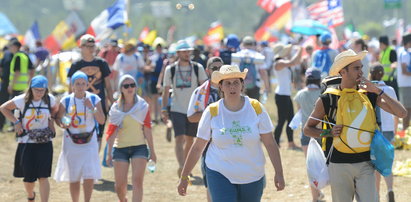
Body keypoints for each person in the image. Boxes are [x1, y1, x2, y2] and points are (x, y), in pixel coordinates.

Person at [304, 49, 406, 202]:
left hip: (366, 163)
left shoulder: (369, 94)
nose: (361, 71)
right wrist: (328, 133)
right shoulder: (328, 98)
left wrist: (378, 91)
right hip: (338, 165)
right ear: (342, 72)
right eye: (356, 68)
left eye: (361, 67)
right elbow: (307, 129)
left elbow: (402, 113)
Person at [177, 65, 285, 202]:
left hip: (252, 174)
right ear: (220, 87)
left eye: (236, 83)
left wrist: (279, 173)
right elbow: (198, 147)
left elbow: (270, 143)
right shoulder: (212, 111)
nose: (232, 87)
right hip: (219, 172)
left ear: (242, 85)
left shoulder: (256, 108)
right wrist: (184, 176)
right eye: (227, 83)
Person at [0, 75, 57, 202]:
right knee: (28, 178)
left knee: (43, 176)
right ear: (30, 88)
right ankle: (31, 195)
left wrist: (51, 122)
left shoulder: (49, 99)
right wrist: (16, 122)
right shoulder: (21, 100)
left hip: (45, 142)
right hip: (26, 142)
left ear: (46, 90)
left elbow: (55, 109)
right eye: (36, 90)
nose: (39, 93)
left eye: (42, 90)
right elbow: (3, 108)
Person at [54, 71, 105, 202]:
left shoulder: (94, 99)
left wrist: (92, 108)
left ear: (87, 84)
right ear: (72, 85)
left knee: (89, 174)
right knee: (74, 175)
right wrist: (65, 122)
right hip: (71, 142)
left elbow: (101, 120)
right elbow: (59, 120)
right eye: (78, 84)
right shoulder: (66, 100)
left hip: (90, 141)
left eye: (83, 83)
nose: (81, 86)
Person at [105, 75, 157, 202]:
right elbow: (111, 132)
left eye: (132, 85)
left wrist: (152, 152)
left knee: (137, 182)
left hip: (139, 147)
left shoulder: (142, 106)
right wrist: (109, 153)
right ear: (121, 89)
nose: (130, 88)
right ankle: (123, 200)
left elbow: (148, 129)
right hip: (120, 148)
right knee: (119, 185)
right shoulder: (115, 108)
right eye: (126, 86)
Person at [161, 40, 207, 177]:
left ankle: (186, 167)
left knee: (190, 140)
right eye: (184, 51)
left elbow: (204, 88)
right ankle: (182, 167)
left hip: (193, 110)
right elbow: (165, 90)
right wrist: (164, 109)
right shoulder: (171, 69)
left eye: (188, 51)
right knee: (179, 138)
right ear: (178, 53)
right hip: (177, 108)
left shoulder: (198, 68)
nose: (187, 54)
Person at [67, 34, 114, 150]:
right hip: (79, 105)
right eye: (88, 46)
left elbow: (108, 85)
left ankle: (94, 159)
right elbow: (70, 88)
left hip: (99, 104)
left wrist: (111, 102)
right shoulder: (76, 65)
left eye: (93, 46)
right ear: (81, 47)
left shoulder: (101, 63)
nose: (91, 49)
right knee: (81, 134)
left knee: (98, 135)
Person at [186, 56, 223, 202]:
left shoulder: (232, 87)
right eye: (214, 68)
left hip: (230, 140)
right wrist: (210, 112)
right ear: (207, 71)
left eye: (221, 68)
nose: (218, 71)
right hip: (208, 143)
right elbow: (191, 117)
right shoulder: (200, 92)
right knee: (211, 182)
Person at [293, 68, 324, 202]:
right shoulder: (323, 93)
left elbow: (299, 113)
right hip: (322, 132)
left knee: (311, 167)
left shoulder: (299, 94)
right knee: (326, 164)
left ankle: (315, 196)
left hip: (306, 133)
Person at [370, 64, 397, 202]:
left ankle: (377, 195)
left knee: (376, 167)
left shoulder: (368, 90)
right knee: (387, 163)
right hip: (389, 129)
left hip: (375, 130)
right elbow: (396, 112)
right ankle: (390, 189)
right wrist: (395, 130)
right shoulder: (390, 89)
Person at [272, 43, 302, 149]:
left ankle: (291, 143)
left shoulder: (282, 62)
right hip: (281, 95)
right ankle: (275, 143)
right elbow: (293, 62)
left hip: (285, 95)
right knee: (281, 120)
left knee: (290, 120)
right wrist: (300, 49)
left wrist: (299, 51)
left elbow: (296, 62)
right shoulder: (278, 63)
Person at [231, 36, 270, 100]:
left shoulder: (236, 55)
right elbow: (263, 73)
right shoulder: (258, 56)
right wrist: (267, 87)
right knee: (254, 106)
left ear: (242, 44)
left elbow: (233, 71)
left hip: (240, 85)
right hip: (255, 85)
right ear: (253, 44)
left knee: (241, 106)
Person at [397, 33, 411, 131]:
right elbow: (404, 71)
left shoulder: (403, 51)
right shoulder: (405, 54)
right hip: (406, 85)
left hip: (406, 84)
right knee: (407, 109)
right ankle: (405, 131)